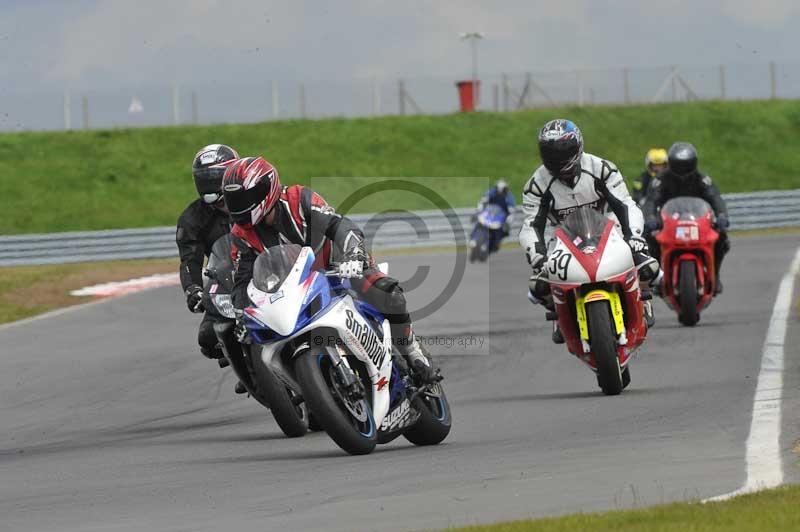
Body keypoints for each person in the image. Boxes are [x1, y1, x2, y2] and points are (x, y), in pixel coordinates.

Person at [222, 156, 439, 384]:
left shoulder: (299, 198)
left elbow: (340, 225)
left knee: (387, 293)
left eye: (243, 198)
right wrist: (240, 313)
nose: (239, 206)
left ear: (265, 189)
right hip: (294, 291)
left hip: (340, 268)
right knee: (264, 338)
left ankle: (413, 352)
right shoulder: (241, 235)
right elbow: (242, 280)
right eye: (234, 200)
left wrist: (353, 255)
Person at [519, 119, 658, 342]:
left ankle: (642, 297)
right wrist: (538, 257)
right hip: (561, 235)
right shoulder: (536, 184)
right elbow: (531, 226)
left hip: (607, 226)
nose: (556, 158)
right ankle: (558, 311)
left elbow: (625, 205)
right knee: (538, 286)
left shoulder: (602, 169)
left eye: (562, 151)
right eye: (550, 152)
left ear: (577, 147)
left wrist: (634, 237)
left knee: (648, 266)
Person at [176, 144, 239, 366]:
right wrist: (192, 289)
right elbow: (190, 259)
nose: (212, 185)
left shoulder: (254, 197)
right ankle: (247, 368)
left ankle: (338, 349)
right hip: (228, 284)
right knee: (208, 338)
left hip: (269, 272)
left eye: (217, 177)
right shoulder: (192, 219)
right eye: (205, 179)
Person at [642, 142, 729, 295]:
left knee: (722, 238)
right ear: (671, 164)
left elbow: (715, 197)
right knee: (649, 239)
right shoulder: (660, 180)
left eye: (686, 166)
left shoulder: (702, 179)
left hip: (697, 219)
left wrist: (722, 215)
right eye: (679, 166)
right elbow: (651, 200)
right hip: (668, 220)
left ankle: (715, 275)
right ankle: (658, 277)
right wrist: (650, 217)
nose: (683, 170)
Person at [473, 179, 516, 251]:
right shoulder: (491, 192)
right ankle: (474, 238)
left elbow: (511, 210)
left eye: (505, 189)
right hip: (490, 214)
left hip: (501, 216)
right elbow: (482, 201)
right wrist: (478, 211)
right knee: (479, 222)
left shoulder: (509, 197)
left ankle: (497, 241)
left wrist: (508, 221)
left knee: (504, 229)